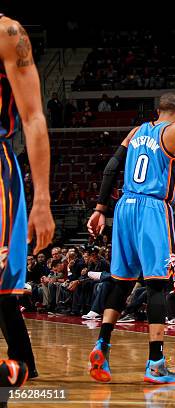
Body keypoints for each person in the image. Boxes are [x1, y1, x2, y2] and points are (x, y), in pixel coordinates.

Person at [85, 49, 175, 384]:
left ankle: (102, 344)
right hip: (151, 209)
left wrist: (100, 208)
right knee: (159, 284)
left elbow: (111, 168)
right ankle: (156, 362)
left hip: (123, 208)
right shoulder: (173, 131)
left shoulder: (136, 131)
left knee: (120, 282)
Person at [0, 14, 55, 386]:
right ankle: (19, 366)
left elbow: (34, 117)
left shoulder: (8, 32)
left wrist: (42, 199)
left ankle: (19, 365)